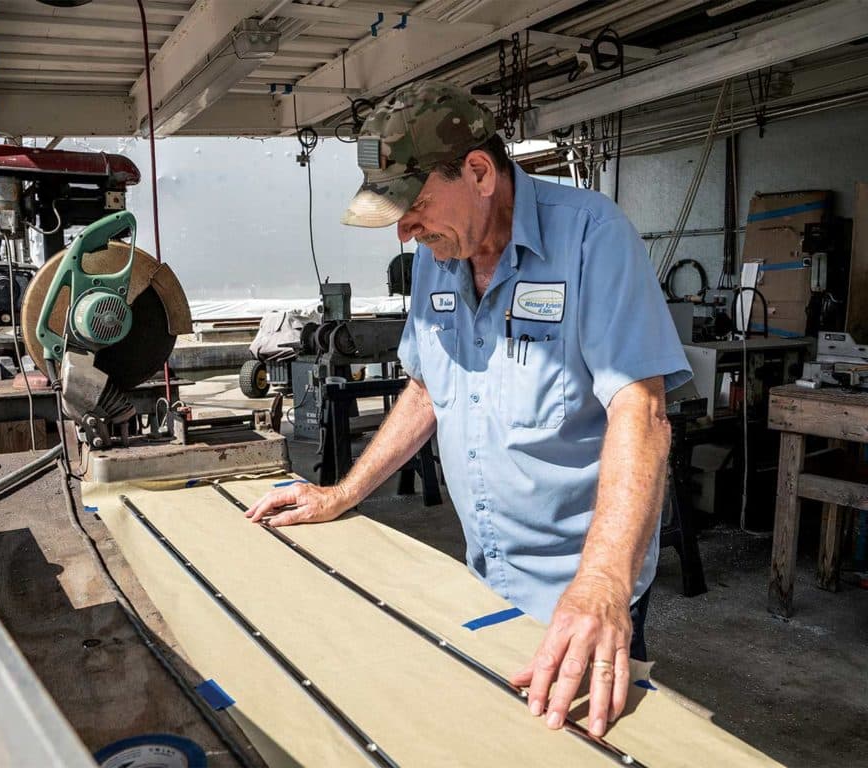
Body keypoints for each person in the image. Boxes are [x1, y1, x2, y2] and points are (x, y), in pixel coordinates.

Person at [245, 81, 691, 738]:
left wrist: (601, 583)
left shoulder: (592, 237)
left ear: (479, 172)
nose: (404, 229)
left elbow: (640, 412)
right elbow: (427, 390)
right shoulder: (439, 254)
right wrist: (343, 494)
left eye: (416, 204)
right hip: (483, 566)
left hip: (581, 583)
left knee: (578, 741)